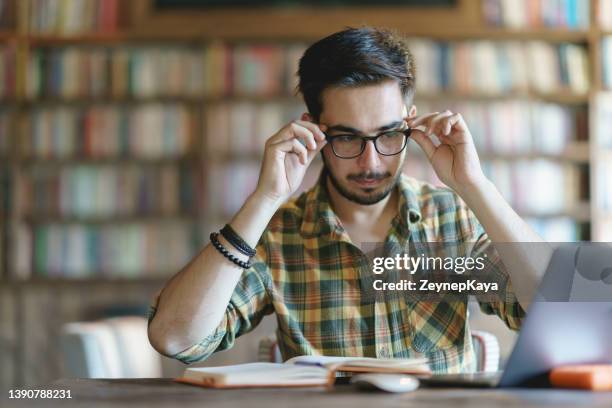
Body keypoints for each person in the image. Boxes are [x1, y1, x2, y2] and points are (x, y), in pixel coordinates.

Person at [147, 27, 550, 373]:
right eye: (346, 137)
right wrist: (264, 199)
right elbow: (176, 338)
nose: (370, 162)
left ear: (410, 121)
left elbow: (559, 312)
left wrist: (475, 186)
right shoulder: (280, 234)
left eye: (389, 135)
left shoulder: (451, 219)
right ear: (313, 132)